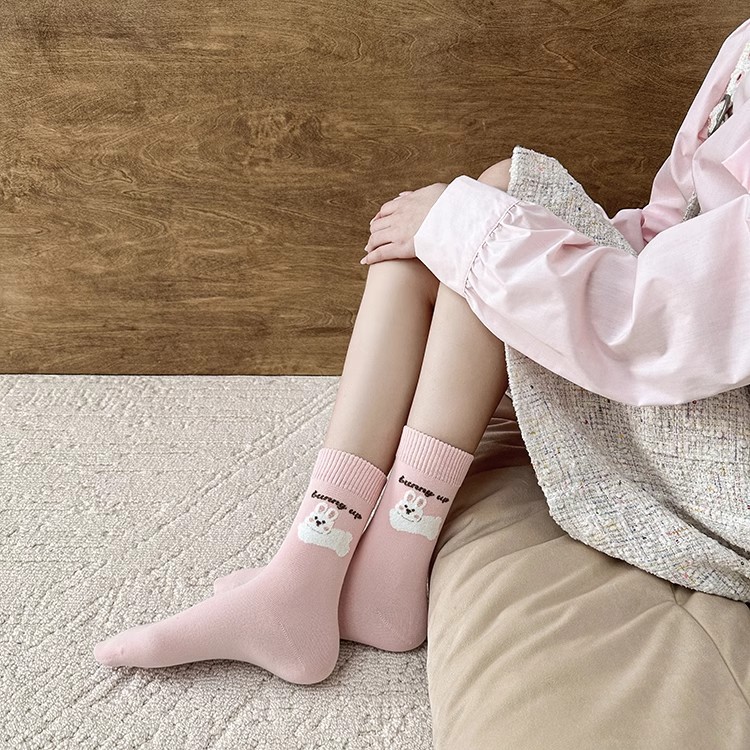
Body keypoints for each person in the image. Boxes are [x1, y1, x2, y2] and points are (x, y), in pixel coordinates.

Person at [93, 16, 750, 682]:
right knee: (467, 225)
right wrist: (488, 228)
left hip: (720, 444)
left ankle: (322, 574)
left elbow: (676, 321)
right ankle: (343, 563)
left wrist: (480, 227)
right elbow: (668, 229)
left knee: (494, 208)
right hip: (681, 346)